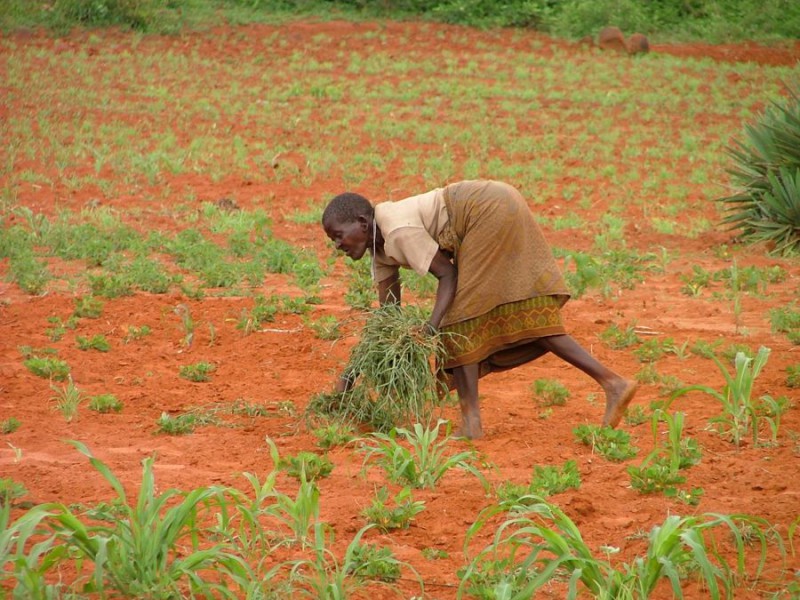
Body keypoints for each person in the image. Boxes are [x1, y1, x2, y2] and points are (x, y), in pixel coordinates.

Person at [321, 179, 637, 439]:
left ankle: (472, 424)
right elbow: (385, 320)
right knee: (518, 312)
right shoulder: (380, 251)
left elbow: (448, 274)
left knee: (457, 321)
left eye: (338, 235)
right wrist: (350, 375)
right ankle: (613, 383)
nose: (337, 245)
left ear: (363, 223)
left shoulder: (398, 230)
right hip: (494, 206)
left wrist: (431, 327)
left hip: (486, 210)